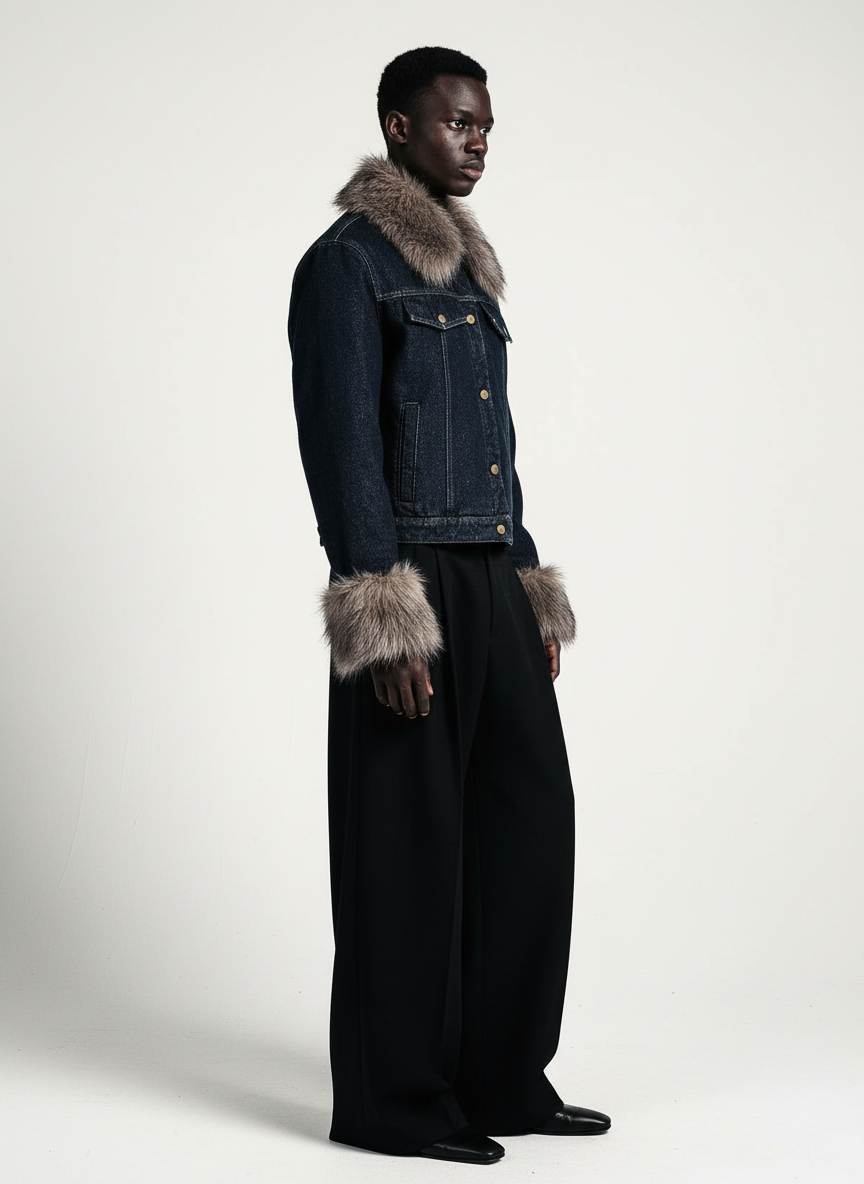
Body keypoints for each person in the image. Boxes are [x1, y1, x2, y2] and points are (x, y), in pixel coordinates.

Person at [287, 45, 610, 1165]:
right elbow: (343, 448)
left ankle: (502, 1076)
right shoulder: (345, 266)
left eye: (485, 127)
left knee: (530, 825)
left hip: (490, 571)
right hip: (409, 576)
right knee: (406, 848)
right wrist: (381, 612)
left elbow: (495, 446)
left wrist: (527, 580)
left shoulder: (471, 274)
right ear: (399, 125)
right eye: (458, 122)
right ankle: (398, 1102)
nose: (477, 142)